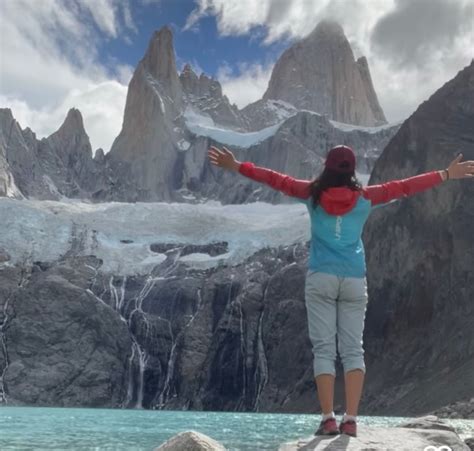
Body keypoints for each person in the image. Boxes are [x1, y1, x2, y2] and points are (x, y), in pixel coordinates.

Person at [207, 144, 474, 437]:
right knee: (352, 350)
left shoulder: (312, 194)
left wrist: (237, 166)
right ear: (352, 169)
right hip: (354, 280)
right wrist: (445, 174)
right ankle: (351, 420)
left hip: (321, 277)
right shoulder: (366, 198)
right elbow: (404, 187)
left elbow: (275, 179)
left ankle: (327, 419)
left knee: (323, 349)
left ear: (327, 167)